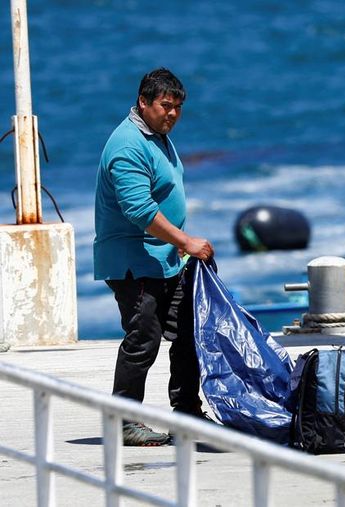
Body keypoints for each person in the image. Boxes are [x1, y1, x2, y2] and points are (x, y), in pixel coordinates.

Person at [94, 68, 214, 446]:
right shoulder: (128, 145)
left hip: (165, 257)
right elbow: (139, 210)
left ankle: (188, 414)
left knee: (187, 334)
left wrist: (177, 245)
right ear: (143, 102)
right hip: (135, 261)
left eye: (178, 107)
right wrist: (186, 240)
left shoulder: (158, 135)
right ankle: (125, 420)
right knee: (143, 337)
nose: (173, 114)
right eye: (166, 106)